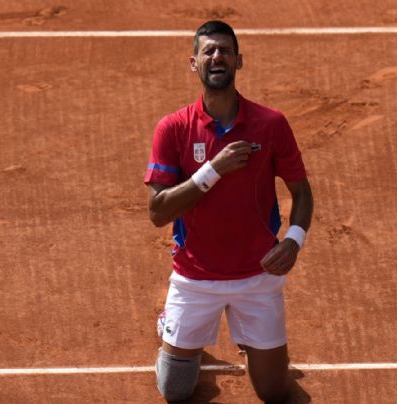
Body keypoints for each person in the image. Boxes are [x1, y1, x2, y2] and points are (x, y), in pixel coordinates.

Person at [144, 20, 314, 403]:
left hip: (258, 276)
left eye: (225, 50)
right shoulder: (173, 129)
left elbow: (302, 192)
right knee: (175, 390)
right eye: (208, 51)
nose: (217, 56)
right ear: (194, 63)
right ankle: (169, 326)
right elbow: (157, 212)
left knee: (273, 392)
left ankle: (252, 344)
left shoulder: (270, 124)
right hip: (194, 278)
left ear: (240, 61)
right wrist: (212, 170)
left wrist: (293, 240)